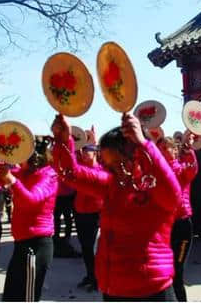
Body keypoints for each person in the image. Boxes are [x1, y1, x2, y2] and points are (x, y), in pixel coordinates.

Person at [52, 113, 181, 301]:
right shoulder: (111, 185)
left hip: (151, 290)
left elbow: (173, 194)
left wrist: (145, 144)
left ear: (137, 155)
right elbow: (70, 173)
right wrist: (63, 140)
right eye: (109, 165)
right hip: (113, 290)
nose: (115, 171)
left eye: (119, 164)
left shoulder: (153, 186)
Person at [0, 137, 58, 301]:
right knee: (10, 298)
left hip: (36, 246)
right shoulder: (24, 173)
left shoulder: (49, 175)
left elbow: (31, 199)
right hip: (22, 244)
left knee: (27, 299)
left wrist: (12, 180)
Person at [158, 136, 198, 302]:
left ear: (175, 151)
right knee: (164, 272)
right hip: (163, 227)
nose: (160, 151)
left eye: (165, 148)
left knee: (177, 271)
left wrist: (189, 151)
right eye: (158, 148)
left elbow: (193, 169)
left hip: (182, 226)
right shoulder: (156, 172)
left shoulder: (182, 169)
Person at [74, 142, 104, 291]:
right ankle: (90, 275)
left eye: (88, 151)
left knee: (93, 248)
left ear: (95, 153)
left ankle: (97, 278)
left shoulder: (100, 170)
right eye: (83, 151)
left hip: (95, 213)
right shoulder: (82, 168)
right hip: (80, 212)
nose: (84, 154)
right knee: (85, 247)